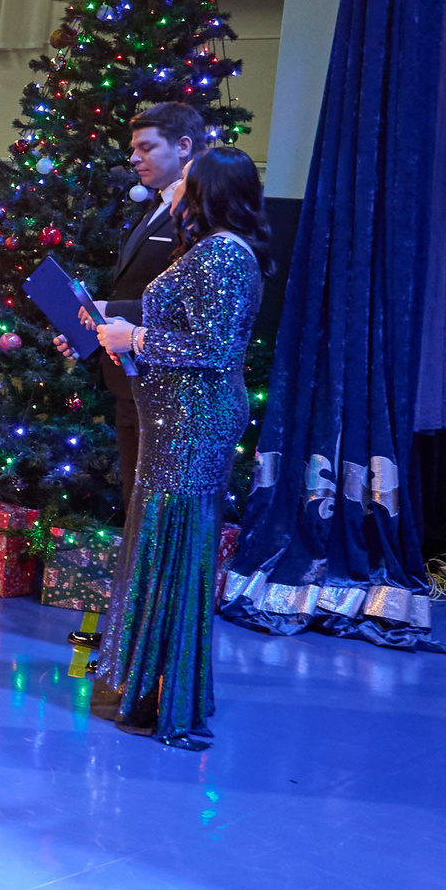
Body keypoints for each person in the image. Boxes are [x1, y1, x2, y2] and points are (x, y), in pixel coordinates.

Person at [90, 146, 269, 750]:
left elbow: (214, 348)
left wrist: (133, 335)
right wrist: (124, 334)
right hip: (175, 417)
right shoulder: (214, 248)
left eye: (187, 183)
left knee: (173, 548)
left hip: (193, 423)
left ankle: (163, 697)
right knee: (160, 545)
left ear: (210, 191)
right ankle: (144, 687)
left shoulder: (223, 254)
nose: (176, 191)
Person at [63, 101, 207, 546]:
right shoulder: (158, 205)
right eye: (133, 148)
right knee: (136, 504)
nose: (133, 158)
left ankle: (150, 606)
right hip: (131, 379)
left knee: (158, 516)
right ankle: (136, 605)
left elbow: (194, 308)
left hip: (165, 385)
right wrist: (86, 329)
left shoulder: (202, 212)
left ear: (184, 147)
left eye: (146, 147)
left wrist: (113, 313)